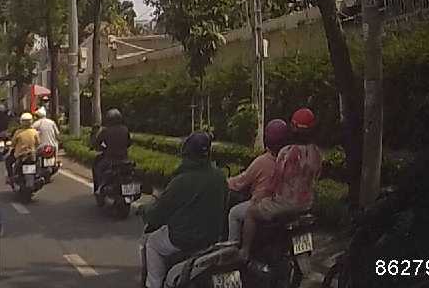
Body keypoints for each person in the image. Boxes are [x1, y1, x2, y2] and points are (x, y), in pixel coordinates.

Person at [362, 90, 429, 263]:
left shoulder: (428, 159)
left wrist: (372, 213)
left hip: (422, 236)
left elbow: (400, 198)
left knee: (375, 260)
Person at [136, 132, 228, 288]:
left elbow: (157, 214)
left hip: (182, 240)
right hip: (211, 239)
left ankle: (154, 285)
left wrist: (144, 210)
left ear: (186, 153)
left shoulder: (180, 181)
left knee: (152, 243)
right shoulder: (220, 177)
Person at [241, 108, 323, 260]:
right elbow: (316, 176)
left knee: (251, 213)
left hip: (283, 205)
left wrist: (259, 198)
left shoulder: (287, 152)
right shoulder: (317, 152)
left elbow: (274, 183)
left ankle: (244, 253)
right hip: (307, 205)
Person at [227, 119, 291, 243]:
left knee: (234, 213)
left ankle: (232, 248)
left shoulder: (262, 161)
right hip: (285, 205)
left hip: (264, 206)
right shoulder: (292, 159)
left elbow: (241, 182)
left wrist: (225, 182)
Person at [90, 108, 131, 195]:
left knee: (98, 168)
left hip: (110, 159)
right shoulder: (125, 129)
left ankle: (100, 188)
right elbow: (129, 143)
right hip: (125, 159)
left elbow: (97, 144)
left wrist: (103, 148)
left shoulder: (106, 131)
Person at [6, 112, 40, 182]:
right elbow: (38, 143)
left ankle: (10, 177)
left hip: (20, 155)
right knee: (38, 162)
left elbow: (13, 143)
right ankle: (38, 175)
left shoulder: (18, 132)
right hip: (32, 154)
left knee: (8, 161)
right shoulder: (34, 132)